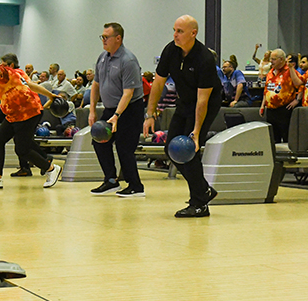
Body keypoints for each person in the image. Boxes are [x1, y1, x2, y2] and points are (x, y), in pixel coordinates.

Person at [143, 15, 222, 217]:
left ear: (193, 33)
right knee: (171, 150)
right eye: (174, 30)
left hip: (206, 103)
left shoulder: (204, 59)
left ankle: (199, 203)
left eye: (179, 31)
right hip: (185, 101)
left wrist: (196, 132)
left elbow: (202, 101)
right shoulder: (171, 51)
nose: (175, 35)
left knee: (188, 150)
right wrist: (150, 113)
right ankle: (204, 190)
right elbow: (158, 83)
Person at [0, 54, 62, 189]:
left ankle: (51, 169)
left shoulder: (4, 71)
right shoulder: (15, 74)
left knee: (22, 150)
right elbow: (30, 85)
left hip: (27, 113)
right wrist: (49, 95)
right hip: (14, 115)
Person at [88, 22, 146, 197]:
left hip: (130, 110)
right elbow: (95, 85)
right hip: (110, 109)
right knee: (99, 140)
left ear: (118, 38)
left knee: (124, 147)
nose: (103, 40)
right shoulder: (102, 58)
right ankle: (111, 180)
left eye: (107, 37)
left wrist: (117, 115)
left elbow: (128, 93)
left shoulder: (128, 60)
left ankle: (135, 186)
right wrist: (92, 111)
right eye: (102, 37)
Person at [259, 49, 301, 144]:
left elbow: (301, 85)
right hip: (270, 110)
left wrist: (297, 100)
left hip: (284, 109)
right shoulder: (270, 73)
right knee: (273, 139)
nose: (271, 61)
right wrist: (262, 105)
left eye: (273, 59)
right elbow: (266, 90)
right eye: (271, 59)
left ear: (281, 59)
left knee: (286, 138)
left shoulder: (290, 71)